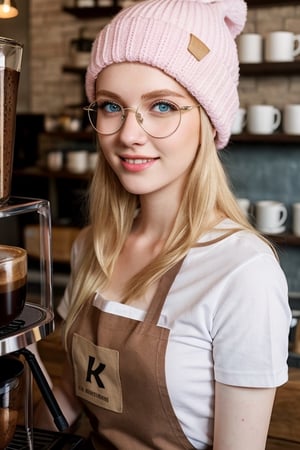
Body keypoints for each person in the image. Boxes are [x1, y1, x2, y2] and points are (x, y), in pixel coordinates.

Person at [34, 0, 292, 449]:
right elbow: (73, 399)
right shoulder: (95, 246)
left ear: (209, 124)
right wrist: (27, 356)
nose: (129, 134)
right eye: (111, 105)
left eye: (163, 107)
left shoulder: (242, 272)